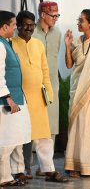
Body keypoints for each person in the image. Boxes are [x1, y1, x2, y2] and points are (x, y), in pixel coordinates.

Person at [12, 10, 68, 183]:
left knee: (44, 136)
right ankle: (19, 170)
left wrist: (49, 93)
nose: (29, 28)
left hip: (39, 97)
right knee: (19, 137)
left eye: (31, 25)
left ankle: (48, 170)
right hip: (21, 98)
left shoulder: (38, 44)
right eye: (25, 25)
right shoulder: (11, 44)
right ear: (18, 26)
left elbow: (45, 70)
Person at [63, 9, 90, 177]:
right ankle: (74, 164)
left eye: (81, 20)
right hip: (77, 88)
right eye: (78, 20)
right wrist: (67, 45)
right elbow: (69, 65)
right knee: (76, 126)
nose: (78, 23)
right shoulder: (76, 41)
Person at [25, 1, 61, 177]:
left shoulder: (58, 34)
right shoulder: (30, 32)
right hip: (32, 87)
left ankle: (46, 166)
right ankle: (26, 165)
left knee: (51, 126)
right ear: (43, 15)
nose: (55, 19)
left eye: (57, 16)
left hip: (51, 85)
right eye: (53, 16)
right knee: (30, 125)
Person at [0, 10, 31, 187]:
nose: (15, 28)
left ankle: (8, 174)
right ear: (4, 26)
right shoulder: (0, 45)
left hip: (16, 98)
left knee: (14, 138)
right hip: (6, 100)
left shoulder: (6, 43)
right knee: (6, 140)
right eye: (13, 25)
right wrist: (8, 98)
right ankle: (3, 177)